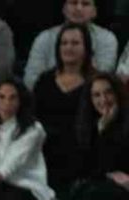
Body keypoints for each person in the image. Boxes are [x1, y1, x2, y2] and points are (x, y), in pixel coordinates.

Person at [33, 23, 94, 190]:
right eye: (64, 43)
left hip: (81, 154)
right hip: (44, 152)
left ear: (86, 48)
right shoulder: (44, 80)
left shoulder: (96, 82)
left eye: (75, 43)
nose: (69, 48)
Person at [22, 0, 118, 91]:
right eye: (73, 3)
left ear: (94, 12)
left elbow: (102, 78)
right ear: (64, 9)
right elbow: (31, 80)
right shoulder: (44, 38)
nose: (78, 8)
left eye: (85, 4)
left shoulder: (107, 39)